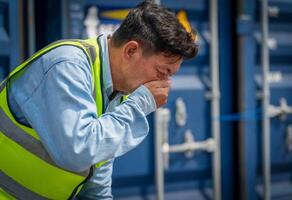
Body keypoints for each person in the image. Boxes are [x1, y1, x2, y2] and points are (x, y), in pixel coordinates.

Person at [0, 1, 197, 199]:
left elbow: (96, 182)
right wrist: (139, 104)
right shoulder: (67, 66)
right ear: (130, 51)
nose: (166, 84)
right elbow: (78, 151)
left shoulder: (116, 93)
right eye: (162, 72)